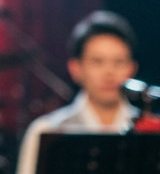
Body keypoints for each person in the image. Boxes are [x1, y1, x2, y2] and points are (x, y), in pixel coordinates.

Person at [16, 11, 140, 174]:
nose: (109, 72)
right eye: (97, 62)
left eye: (118, 62)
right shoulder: (47, 131)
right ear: (75, 68)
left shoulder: (153, 131)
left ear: (131, 69)